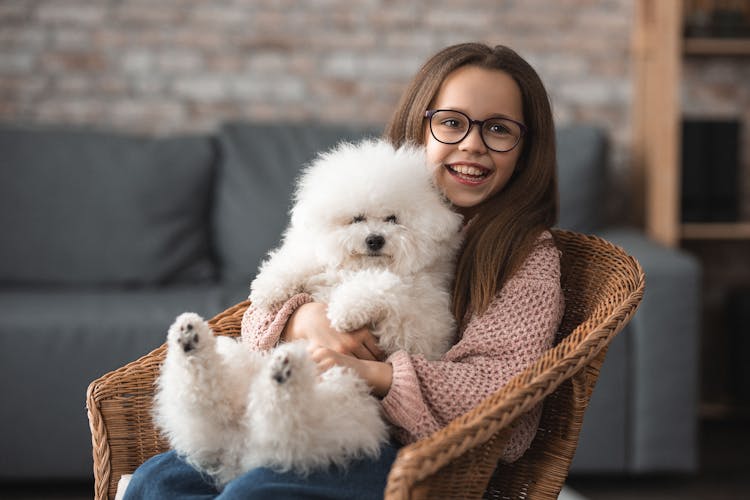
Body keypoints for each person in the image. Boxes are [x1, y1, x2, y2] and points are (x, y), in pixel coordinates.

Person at [124, 42, 564, 499]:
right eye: (452, 123)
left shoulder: (525, 255)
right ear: (421, 127)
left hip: (413, 453)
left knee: (253, 493)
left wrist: (369, 373)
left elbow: (504, 390)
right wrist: (301, 318)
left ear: (525, 146)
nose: (472, 144)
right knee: (156, 480)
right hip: (292, 414)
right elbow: (256, 318)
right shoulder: (356, 200)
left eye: (498, 129)